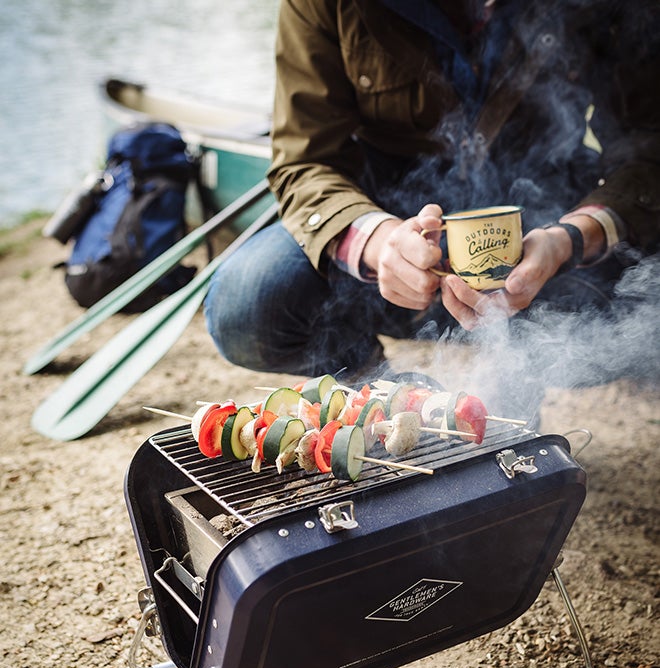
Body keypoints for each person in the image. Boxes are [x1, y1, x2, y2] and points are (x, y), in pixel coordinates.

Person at [204, 0, 660, 413]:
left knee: (649, 302)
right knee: (249, 301)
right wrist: (380, 245)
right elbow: (305, 162)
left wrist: (570, 239)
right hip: (386, 228)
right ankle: (380, 392)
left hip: (548, 238)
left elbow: (647, 149)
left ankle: (515, 370)